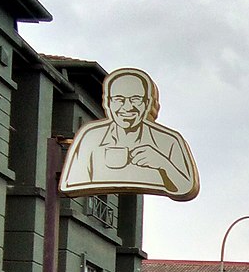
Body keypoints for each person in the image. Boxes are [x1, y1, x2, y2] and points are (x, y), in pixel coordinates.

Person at [60, 67, 199, 200]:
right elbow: (71, 183)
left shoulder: (168, 141)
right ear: (108, 103)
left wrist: (163, 163)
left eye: (136, 99)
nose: (127, 107)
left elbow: (186, 187)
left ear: (147, 103)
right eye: (119, 100)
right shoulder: (90, 137)